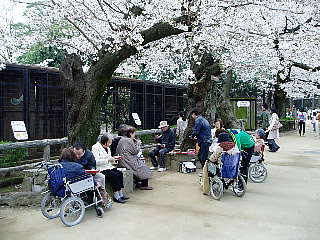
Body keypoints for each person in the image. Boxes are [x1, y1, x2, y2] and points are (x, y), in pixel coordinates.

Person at [92, 133, 129, 204]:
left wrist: (113, 159)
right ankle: (116, 195)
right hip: (101, 168)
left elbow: (109, 158)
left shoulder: (108, 148)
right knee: (114, 175)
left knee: (119, 174)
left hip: (108, 166)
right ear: (105, 141)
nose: (110, 144)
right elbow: (96, 161)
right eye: (109, 142)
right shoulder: (95, 147)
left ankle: (120, 193)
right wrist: (108, 160)